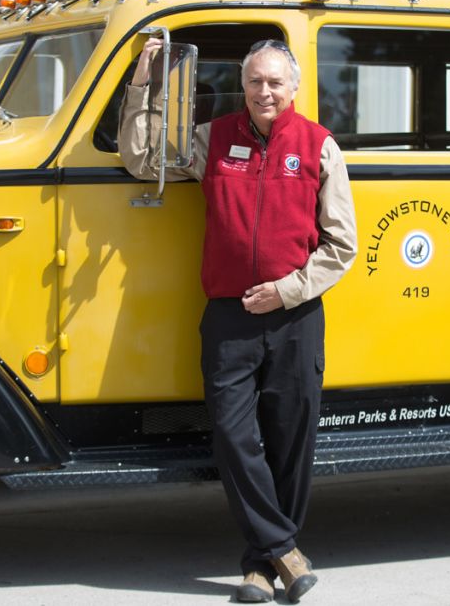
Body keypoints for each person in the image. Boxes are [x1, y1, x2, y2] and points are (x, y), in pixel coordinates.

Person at [118, 37, 357, 603]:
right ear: (243, 86)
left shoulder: (320, 146)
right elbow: (142, 156)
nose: (265, 91)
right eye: (255, 81)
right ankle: (285, 551)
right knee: (231, 436)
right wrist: (144, 84)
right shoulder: (212, 138)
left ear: (294, 88)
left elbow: (341, 245)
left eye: (275, 82)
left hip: (295, 315)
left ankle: (259, 567)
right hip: (228, 316)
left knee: (290, 441)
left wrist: (287, 290)